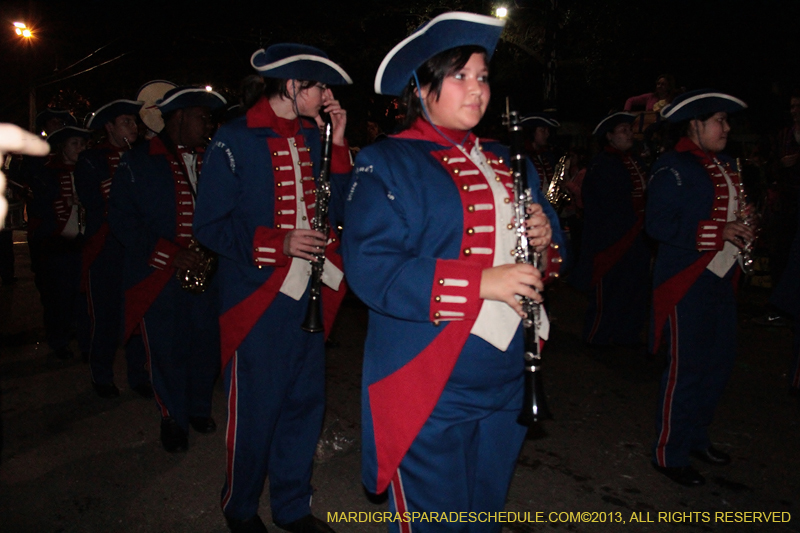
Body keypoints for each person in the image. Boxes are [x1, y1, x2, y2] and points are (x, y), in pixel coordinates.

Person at [341, 12, 565, 529]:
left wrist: (545, 244)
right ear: (421, 88)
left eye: (482, 76)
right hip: (430, 377)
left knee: (483, 513)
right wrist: (484, 281)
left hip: (510, 373)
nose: (476, 90)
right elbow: (372, 270)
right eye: (460, 76)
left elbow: (554, 257)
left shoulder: (510, 160)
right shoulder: (386, 161)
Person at [194, 45, 352, 533]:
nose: (326, 96)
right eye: (318, 86)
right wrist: (277, 241)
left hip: (311, 296)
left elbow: (342, 211)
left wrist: (340, 143)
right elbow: (209, 226)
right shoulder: (233, 138)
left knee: (305, 406)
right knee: (255, 414)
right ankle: (240, 509)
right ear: (291, 86)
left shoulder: (318, 136)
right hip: (258, 299)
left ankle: (292, 507)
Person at [109, 87, 225, 453]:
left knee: (206, 345)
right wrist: (170, 255)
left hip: (207, 272)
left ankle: (197, 408)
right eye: (201, 116)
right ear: (178, 118)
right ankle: (172, 416)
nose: (207, 123)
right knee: (167, 350)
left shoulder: (214, 159)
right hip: (160, 275)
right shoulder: (138, 161)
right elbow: (122, 220)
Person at [647, 89, 753, 487]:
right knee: (685, 368)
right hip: (685, 279)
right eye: (719, 121)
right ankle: (668, 452)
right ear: (695, 124)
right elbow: (657, 224)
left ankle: (695, 438)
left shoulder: (726, 163)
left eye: (726, 121)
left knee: (718, 365)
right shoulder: (671, 166)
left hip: (722, 278)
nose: (726, 128)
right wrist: (718, 231)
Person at [75, 99, 151, 399]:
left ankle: (138, 374)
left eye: (134, 122)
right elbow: (91, 202)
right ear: (109, 127)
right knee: (105, 317)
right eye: (126, 122)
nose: (134, 127)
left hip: (136, 247)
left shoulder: (145, 154)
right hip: (105, 248)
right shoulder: (91, 160)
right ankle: (102, 375)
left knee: (136, 312)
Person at [571, 112, 651, 346]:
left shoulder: (635, 160)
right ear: (610, 136)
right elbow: (601, 205)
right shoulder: (601, 164)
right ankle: (598, 336)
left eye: (629, 129)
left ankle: (627, 335)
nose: (629, 134)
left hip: (638, 237)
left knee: (634, 289)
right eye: (623, 130)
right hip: (612, 239)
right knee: (609, 290)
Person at [27, 125, 92, 360]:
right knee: (59, 298)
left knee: (84, 297)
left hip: (84, 242)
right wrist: (65, 201)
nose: (80, 148)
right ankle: (59, 341)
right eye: (74, 144)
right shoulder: (48, 173)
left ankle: (86, 344)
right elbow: (38, 206)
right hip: (58, 244)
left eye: (83, 144)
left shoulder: (89, 170)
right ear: (62, 148)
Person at [521, 112, 560, 193]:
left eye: (547, 130)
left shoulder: (547, 156)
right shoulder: (523, 157)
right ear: (532, 132)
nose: (547, 134)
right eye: (542, 130)